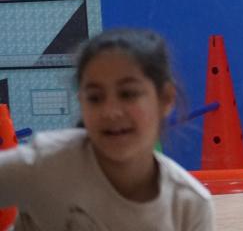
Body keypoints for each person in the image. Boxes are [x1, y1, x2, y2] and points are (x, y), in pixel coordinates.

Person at [0, 28, 214, 230]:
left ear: (166, 98)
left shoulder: (189, 204)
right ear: (81, 101)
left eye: (128, 94)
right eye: (95, 98)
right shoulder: (47, 164)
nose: (110, 112)